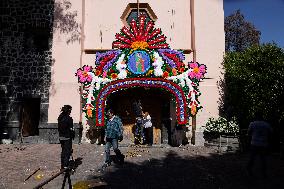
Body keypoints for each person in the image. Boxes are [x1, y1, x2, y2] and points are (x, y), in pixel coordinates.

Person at [246, 111, 272, 178]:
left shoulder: (252, 124)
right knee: (263, 159)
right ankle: (264, 173)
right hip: (263, 144)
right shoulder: (266, 124)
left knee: (252, 158)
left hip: (254, 143)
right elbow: (271, 133)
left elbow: (248, 133)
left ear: (256, 116)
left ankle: (249, 171)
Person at [58, 105, 75, 170]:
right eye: (70, 110)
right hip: (67, 137)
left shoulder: (60, 117)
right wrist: (73, 135)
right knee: (67, 152)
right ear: (68, 111)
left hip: (61, 137)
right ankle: (65, 166)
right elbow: (71, 129)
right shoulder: (69, 118)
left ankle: (62, 166)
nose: (70, 112)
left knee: (63, 151)